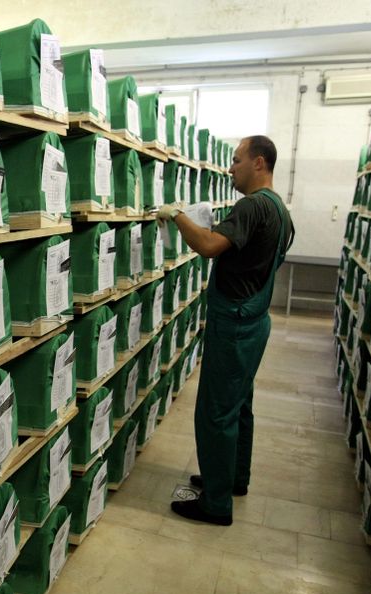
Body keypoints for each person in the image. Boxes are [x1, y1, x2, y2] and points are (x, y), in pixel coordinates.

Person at [157, 135, 294, 526]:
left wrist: (176, 215)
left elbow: (209, 246)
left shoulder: (251, 206)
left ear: (260, 163)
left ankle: (215, 503)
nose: (230, 167)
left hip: (233, 322)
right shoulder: (278, 208)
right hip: (253, 320)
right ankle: (232, 478)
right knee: (239, 406)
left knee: (216, 412)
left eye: (236, 160)